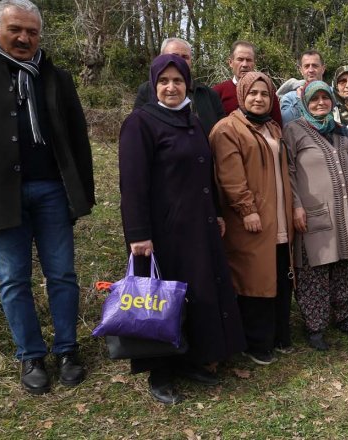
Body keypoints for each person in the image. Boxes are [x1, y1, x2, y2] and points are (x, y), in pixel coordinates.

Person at [0, 0, 94, 395]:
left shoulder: (56, 78)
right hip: (0, 196)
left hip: (53, 192)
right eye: (16, 30)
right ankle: (30, 355)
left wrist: (83, 195)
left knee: (62, 274)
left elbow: (78, 139)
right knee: (13, 281)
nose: (24, 37)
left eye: (31, 31)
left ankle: (66, 350)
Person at [119, 54, 246, 404]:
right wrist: (138, 233)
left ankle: (191, 359)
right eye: (164, 81)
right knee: (160, 300)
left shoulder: (192, 121)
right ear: (154, 86)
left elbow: (206, 173)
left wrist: (216, 212)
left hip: (197, 226)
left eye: (177, 81)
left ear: (187, 84)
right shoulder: (140, 123)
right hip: (161, 233)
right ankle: (160, 372)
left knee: (195, 294)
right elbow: (132, 184)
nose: (171, 87)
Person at [209, 71, 294, 365]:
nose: (259, 99)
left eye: (265, 94)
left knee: (280, 274)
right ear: (242, 95)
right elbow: (230, 177)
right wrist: (247, 210)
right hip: (252, 219)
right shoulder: (227, 129)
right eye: (253, 94)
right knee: (254, 280)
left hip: (278, 216)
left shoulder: (273, 128)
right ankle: (256, 343)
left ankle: (279, 335)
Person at [283, 80, 348, 351]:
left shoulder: (341, 131)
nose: (320, 102)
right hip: (312, 210)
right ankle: (315, 326)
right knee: (314, 268)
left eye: (325, 98)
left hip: (344, 211)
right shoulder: (294, 130)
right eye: (314, 99)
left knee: (345, 263)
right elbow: (290, 171)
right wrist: (296, 205)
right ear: (305, 104)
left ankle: (346, 317)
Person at [133, 37, 225, 135]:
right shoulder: (147, 90)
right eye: (174, 55)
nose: (180, 61)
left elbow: (222, 131)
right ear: (161, 57)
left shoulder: (208, 94)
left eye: (185, 57)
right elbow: (137, 129)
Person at [212, 40, 282, 125]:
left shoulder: (267, 92)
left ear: (254, 63)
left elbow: (277, 126)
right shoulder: (217, 92)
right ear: (231, 62)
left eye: (249, 60)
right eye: (240, 59)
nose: (244, 64)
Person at [279, 50, 326, 125]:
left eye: (315, 66)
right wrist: (299, 101)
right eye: (306, 66)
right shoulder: (290, 98)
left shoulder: (332, 94)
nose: (311, 70)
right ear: (301, 70)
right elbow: (286, 123)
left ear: (323, 69)